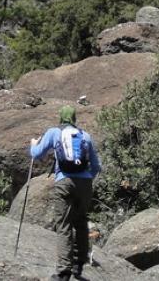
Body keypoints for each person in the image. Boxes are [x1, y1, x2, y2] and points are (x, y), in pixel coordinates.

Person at [30, 105, 101, 281]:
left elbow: (36, 154)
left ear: (61, 118)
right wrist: (86, 179)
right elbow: (96, 166)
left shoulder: (54, 132)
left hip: (64, 182)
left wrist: (33, 145)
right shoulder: (86, 136)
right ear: (75, 118)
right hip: (85, 183)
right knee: (81, 221)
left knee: (64, 226)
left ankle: (63, 272)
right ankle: (79, 264)